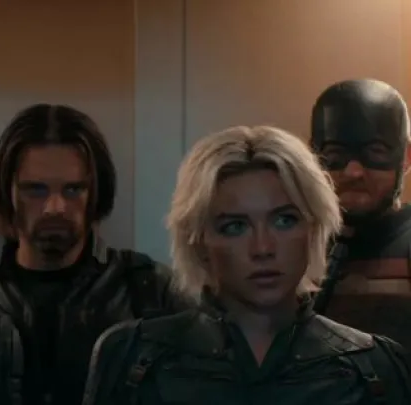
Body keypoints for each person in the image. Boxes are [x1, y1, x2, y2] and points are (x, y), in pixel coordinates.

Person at [82, 126, 411, 405]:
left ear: (313, 230)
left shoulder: (373, 367)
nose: (263, 248)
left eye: (284, 220)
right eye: (235, 226)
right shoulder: (132, 358)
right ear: (199, 241)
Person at [0, 103, 185, 405]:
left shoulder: (152, 292)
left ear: (95, 192)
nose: (54, 207)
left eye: (72, 190)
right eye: (35, 190)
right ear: (8, 192)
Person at [309, 78, 411, 350]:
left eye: (375, 151)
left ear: (406, 157)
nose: (353, 172)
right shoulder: (294, 245)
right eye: (335, 153)